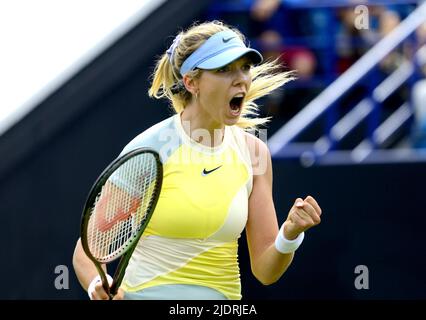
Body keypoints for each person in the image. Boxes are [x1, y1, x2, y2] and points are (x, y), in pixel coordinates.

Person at [72, 20, 322, 300]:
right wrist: (98, 283)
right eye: (224, 69)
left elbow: (266, 271)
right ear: (192, 82)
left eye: (244, 67)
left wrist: (289, 235)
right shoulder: (150, 149)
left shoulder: (254, 152)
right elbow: (87, 251)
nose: (240, 78)